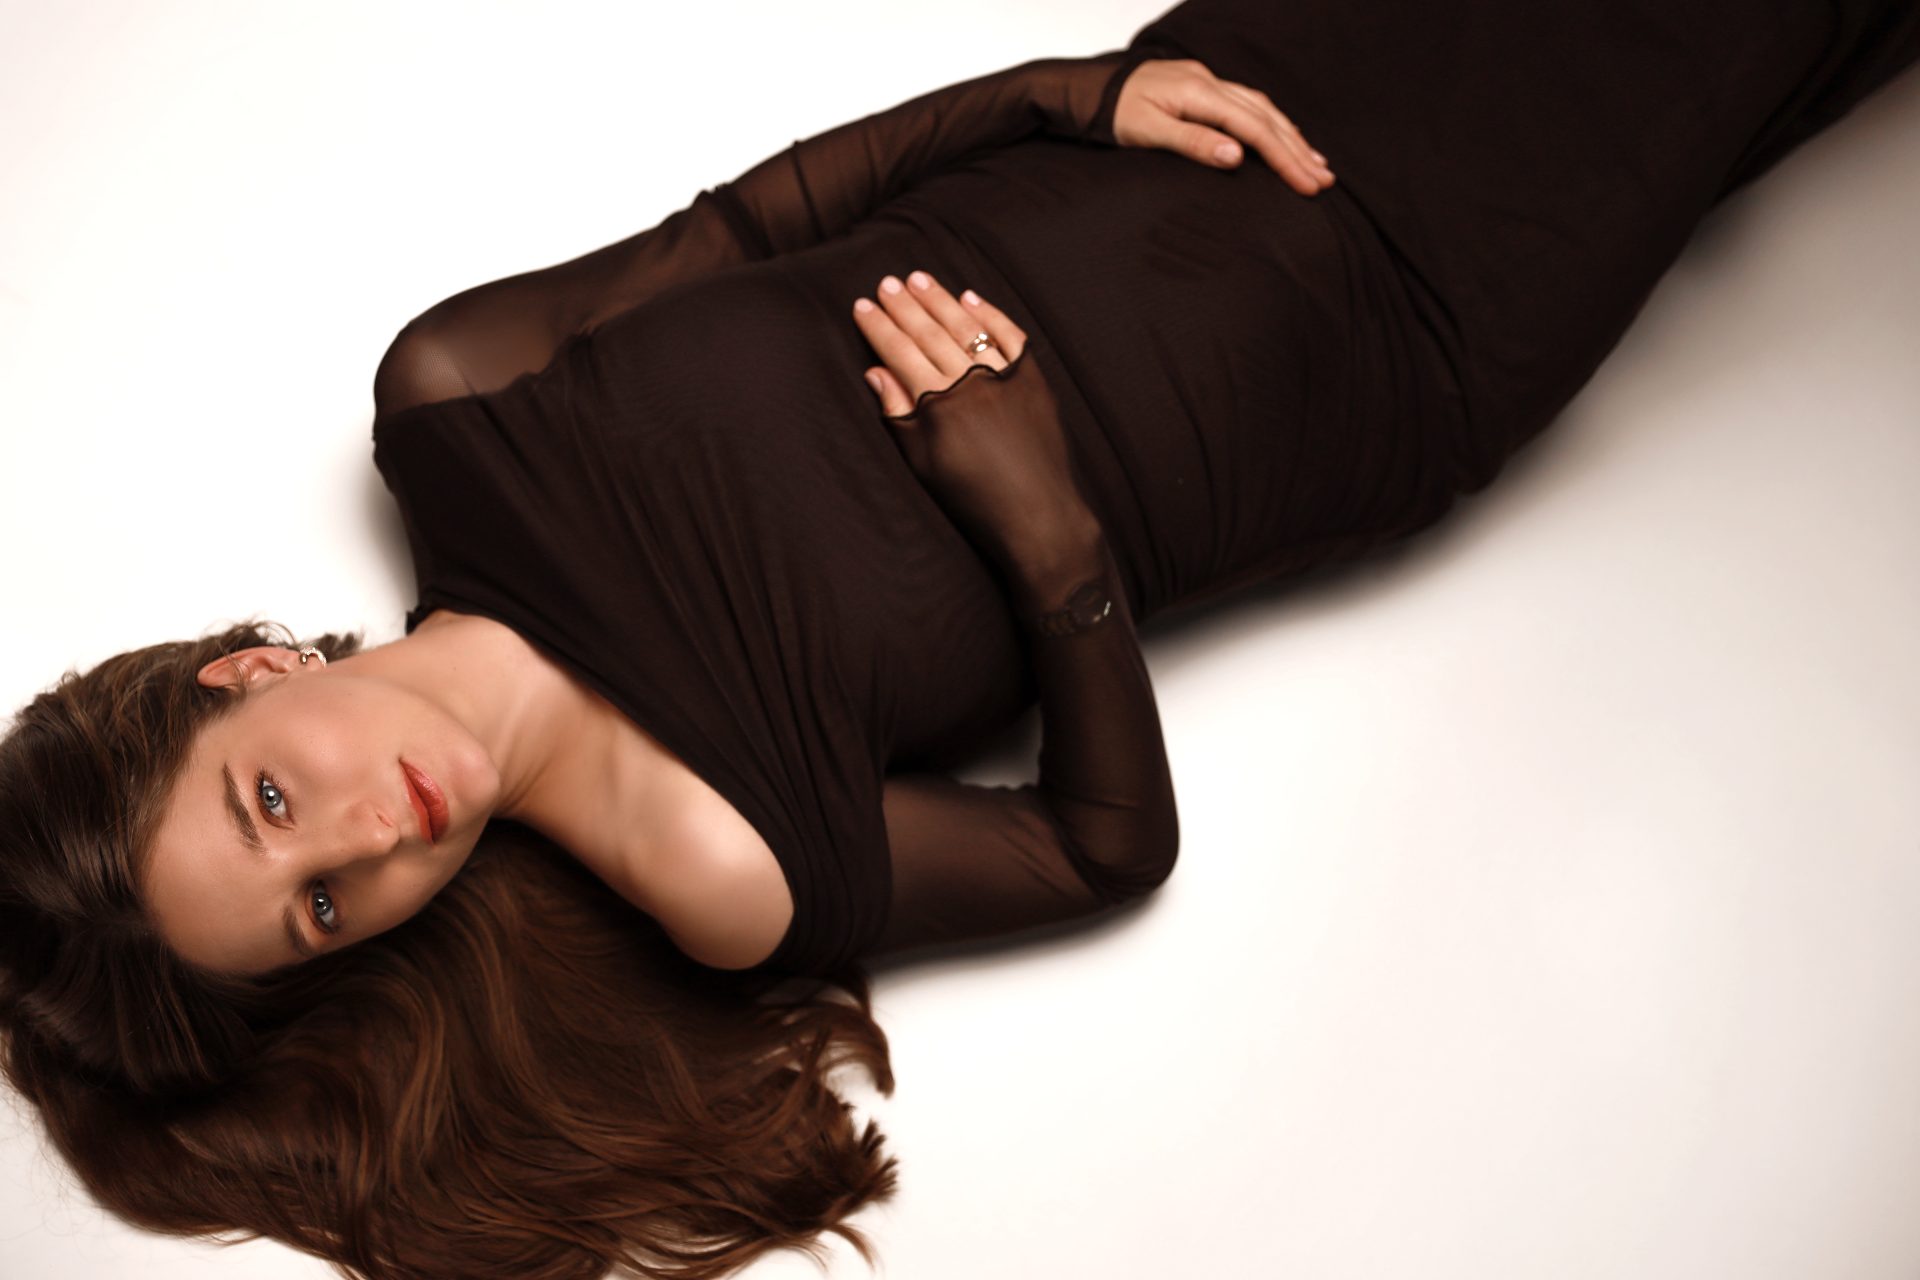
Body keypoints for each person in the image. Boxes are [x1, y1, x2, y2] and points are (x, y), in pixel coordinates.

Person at [3, 0, 1916, 1276]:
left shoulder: (454, 402)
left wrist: (1074, 94)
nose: (371, 840)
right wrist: (1041, 511)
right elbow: (1104, 848)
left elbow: (765, 216)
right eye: (322, 912)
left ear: (244, 677)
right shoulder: (716, 862)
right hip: (1407, 328)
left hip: (1218, 98)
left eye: (271, 802)